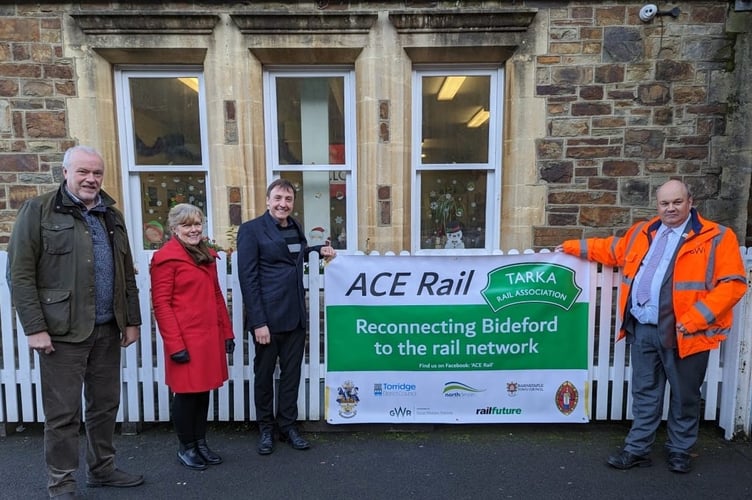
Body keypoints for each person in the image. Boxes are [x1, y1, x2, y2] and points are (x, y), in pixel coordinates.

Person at [556, 179, 746, 474]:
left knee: (685, 396)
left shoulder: (717, 237)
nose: (670, 208)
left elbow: (732, 285)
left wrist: (695, 319)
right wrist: (570, 247)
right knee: (645, 393)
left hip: (686, 331)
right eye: (664, 203)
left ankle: (680, 450)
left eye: (677, 202)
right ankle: (637, 449)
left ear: (690, 201)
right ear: (657, 205)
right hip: (643, 328)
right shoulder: (643, 232)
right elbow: (612, 249)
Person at [7, 145, 143, 498]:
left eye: (97, 173)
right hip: (61, 332)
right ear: (65, 172)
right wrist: (35, 327)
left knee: (105, 405)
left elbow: (125, 273)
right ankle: (61, 482)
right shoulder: (37, 211)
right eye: (83, 171)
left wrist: (131, 321)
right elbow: (19, 274)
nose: (91, 179)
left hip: (106, 329)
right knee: (63, 414)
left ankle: (102, 469)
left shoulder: (111, 215)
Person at [237, 178, 336, 455]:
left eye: (288, 199)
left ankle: (288, 426)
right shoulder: (251, 230)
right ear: (268, 200)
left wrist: (317, 251)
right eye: (278, 198)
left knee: (292, 375)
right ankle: (266, 429)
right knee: (264, 376)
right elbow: (248, 279)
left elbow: (294, 257)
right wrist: (258, 322)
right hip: (267, 320)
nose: (283, 204)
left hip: (295, 317)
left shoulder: (294, 227)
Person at [150, 203, 235, 471]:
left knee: (202, 393)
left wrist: (227, 332)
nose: (194, 229)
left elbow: (217, 296)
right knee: (186, 396)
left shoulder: (204, 255)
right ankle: (186, 447)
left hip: (208, 337)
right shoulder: (166, 258)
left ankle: (200, 442)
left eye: (197, 223)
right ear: (174, 229)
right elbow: (161, 304)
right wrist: (174, 345)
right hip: (185, 340)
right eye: (187, 225)